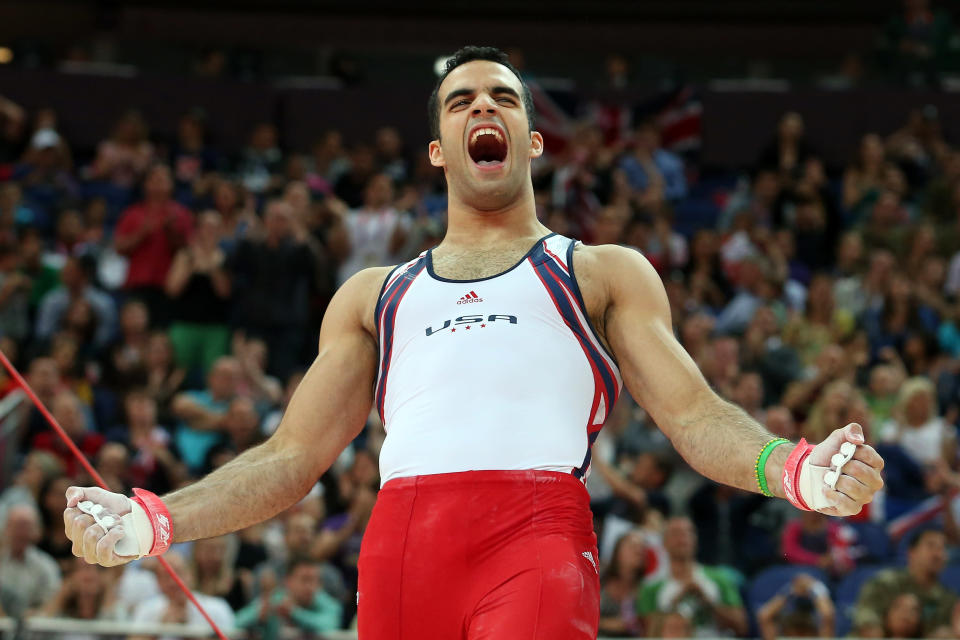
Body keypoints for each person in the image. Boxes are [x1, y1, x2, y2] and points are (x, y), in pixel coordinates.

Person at [65, 46, 884, 640]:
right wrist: (153, 521)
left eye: (503, 98)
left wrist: (795, 468)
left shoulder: (598, 272)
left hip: (536, 533)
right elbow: (288, 460)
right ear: (438, 151)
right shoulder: (376, 295)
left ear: (532, 141)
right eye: (461, 102)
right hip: (402, 546)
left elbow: (696, 417)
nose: (482, 109)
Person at [636, 516, 748, 636]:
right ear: (664, 542)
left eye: (688, 532)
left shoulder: (719, 579)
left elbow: (741, 627)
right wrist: (676, 600)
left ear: (695, 540)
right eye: (675, 533)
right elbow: (650, 632)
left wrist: (708, 603)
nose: (682, 538)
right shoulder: (651, 587)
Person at [852, 528, 958, 637]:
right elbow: (867, 620)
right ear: (911, 553)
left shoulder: (948, 599)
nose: (938, 554)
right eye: (931, 546)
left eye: (943, 548)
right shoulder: (884, 584)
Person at [234, 556, 342, 639]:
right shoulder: (277, 599)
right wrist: (258, 617)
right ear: (288, 581)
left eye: (314, 580)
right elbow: (235, 622)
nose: (310, 587)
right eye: (305, 579)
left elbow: (329, 625)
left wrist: (294, 613)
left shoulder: (328, 603)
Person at [0, 504, 61, 618]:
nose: (21, 532)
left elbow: (52, 603)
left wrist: (31, 616)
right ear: (6, 528)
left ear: (36, 531)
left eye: (26, 526)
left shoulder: (46, 566)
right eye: (17, 526)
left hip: (34, 629)